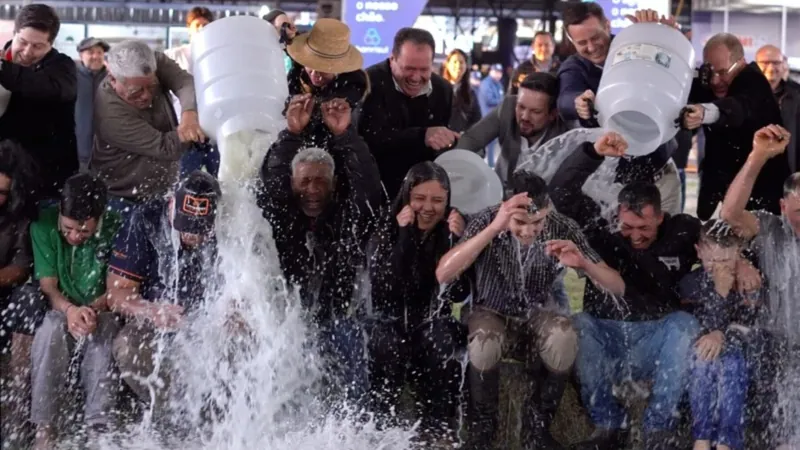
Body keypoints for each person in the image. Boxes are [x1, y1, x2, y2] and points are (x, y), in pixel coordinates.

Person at [550, 132, 758, 450]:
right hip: (606, 334)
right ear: (617, 215)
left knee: (684, 324)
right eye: (628, 227)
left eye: (644, 228)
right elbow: (561, 191)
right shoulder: (602, 227)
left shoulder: (682, 229)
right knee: (578, 324)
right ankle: (608, 425)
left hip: (659, 339)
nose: (635, 236)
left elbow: (721, 237)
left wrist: (740, 261)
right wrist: (592, 153)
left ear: (660, 217)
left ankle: (659, 427)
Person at [436, 172, 625, 450]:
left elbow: (617, 287)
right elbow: (444, 273)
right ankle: (484, 430)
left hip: (537, 312)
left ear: (547, 211)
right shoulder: (485, 220)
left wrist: (583, 263)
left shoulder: (561, 226)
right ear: (503, 210)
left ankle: (537, 427)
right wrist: (493, 229)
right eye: (520, 222)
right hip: (490, 311)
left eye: (537, 222)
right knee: (485, 342)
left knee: (564, 336)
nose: (528, 231)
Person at [259, 94, 382, 401]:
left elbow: (368, 190)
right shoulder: (281, 217)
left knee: (352, 337)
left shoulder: (345, 216)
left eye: (320, 182)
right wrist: (291, 134)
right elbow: (273, 179)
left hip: (334, 318)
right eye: (305, 181)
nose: (312, 190)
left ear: (334, 184)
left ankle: (354, 423)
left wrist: (345, 135)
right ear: (293, 184)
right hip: (288, 320)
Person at [367, 161, 468, 444]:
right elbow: (386, 287)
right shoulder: (385, 226)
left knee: (441, 337)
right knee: (385, 340)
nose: (428, 208)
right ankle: (382, 426)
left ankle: (436, 426)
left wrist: (454, 243)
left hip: (432, 324)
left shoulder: (455, 229)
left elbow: (458, 294)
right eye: (419, 198)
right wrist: (404, 237)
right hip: (390, 322)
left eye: (437, 200)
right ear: (407, 198)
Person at [557, 4, 685, 216]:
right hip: (611, 181)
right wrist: (579, 103)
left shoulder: (640, 44)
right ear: (572, 42)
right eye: (582, 43)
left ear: (607, 25)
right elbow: (565, 99)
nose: (591, 47)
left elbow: (679, 75)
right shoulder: (575, 68)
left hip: (659, 169)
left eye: (595, 37)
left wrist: (663, 35)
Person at [108, 171, 220, 411]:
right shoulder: (146, 218)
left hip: (210, 320)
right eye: (186, 226)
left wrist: (235, 309)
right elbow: (117, 293)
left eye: (201, 229)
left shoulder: (234, 222)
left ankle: (217, 415)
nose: (193, 235)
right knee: (128, 346)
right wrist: (150, 310)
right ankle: (171, 411)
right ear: (171, 204)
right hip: (157, 318)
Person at [720, 124, 799, 449]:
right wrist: (758, 156)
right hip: (774, 346)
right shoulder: (771, 229)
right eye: (799, 212)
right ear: (783, 207)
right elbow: (730, 214)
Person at [28, 174, 121, 450]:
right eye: (69, 228)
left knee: (103, 338)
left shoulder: (117, 226)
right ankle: (45, 429)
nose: (75, 236)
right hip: (62, 307)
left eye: (84, 231)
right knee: (50, 332)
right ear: (60, 212)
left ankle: (98, 430)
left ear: (99, 218)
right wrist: (70, 311)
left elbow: (118, 286)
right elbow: (48, 287)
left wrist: (91, 310)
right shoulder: (42, 226)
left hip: (101, 308)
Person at [91, 40, 205, 219]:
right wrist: (195, 129)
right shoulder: (110, 114)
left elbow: (185, 82)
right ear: (113, 79)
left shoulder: (154, 61)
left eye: (152, 86)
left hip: (161, 191)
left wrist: (189, 113)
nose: (147, 96)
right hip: (122, 198)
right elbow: (167, 147)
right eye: (136, 91)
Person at [682, 34, 787, 219]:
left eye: (722, 72)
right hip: (718, 188)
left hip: (761, 193)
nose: (715, 80)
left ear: (741, 62)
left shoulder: (754, 81)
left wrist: (704, 112)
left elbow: (738, 107)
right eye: (709, 71)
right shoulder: (709, 81)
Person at [681, 220, 758, 450]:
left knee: (732, 362)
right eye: (712, 261)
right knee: (704, 358)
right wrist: (720, 293)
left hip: (742, 353)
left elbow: (752, 327)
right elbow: (699, 325)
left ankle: (727, 442)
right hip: (703, 351)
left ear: (738, 254)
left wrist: (722, 333)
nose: (719, 268)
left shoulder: (747, 280)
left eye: (726, 261)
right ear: (699, 252)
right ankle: (702, 439)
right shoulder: (690, 283)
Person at [358, 28, 456, 200]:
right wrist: (422, 136)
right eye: (409, 69)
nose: (416, 78)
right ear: (392, 59)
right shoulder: (368, 84)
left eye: (424, 70)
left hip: (424, 194)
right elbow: (368, 140)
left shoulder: (444, 90)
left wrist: (451, 139)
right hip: (374, 190)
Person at [0, 4, 78, 203]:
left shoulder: (61, 68)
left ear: (51, 44)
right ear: (14, 33)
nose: (27, 52)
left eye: (37, 46)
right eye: (23, 42)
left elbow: (50, 88)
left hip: (46, 183)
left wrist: (3, 70)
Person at [459, 72, 569, 186]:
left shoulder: (564, 135)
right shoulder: (508, 107)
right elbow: (471, 139)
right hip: (501, 193)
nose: (525, 117)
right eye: (521, 107)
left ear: (553, 114)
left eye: (535, 112)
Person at [0, 140, 37, 447]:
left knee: (28, 299)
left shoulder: (19, 218)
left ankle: (16, 418)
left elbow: (21, 268)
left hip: (5, 294)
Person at [284, 18, 368, 149]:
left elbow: (319, 114)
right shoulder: (296, 75)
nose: (314, 73)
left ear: (340, 68)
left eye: (324, 68)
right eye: (310, 64)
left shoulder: (353, 86)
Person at [164, 6, 219, 179]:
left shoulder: (220, 58)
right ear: (189, 29)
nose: (202, 29)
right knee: (182, 184)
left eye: (206, 25)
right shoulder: (174, 55)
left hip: (214, 134)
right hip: (185, 134)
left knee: (221, 184)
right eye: (197, 25)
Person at [756, 45, 799, 173]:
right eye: (765, 62)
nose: (771, 67)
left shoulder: (797, 94)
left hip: (788, 169)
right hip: (753, 169)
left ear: (783, 65)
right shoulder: (742, 93)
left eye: (776, 63)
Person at [74, 37, 109, 172]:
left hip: (107, 155)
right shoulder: (71, 77)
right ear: (81, 55)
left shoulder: (113, 79)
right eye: (90, 52)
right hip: (76, 153)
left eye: (99, 52)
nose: (96, 56)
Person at [441, 49, 481, 133]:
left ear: (466, 66)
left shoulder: (471, 93)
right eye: (455, 62)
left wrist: (466, 133)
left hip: (462, 141)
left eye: (461, 62)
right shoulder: (438, 89)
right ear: (447, 65)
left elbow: (477, 119)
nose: (458, 65)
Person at [263, 9, 298, 75]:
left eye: (289, 24)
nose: (293, 28)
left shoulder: (292, 54)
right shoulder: (264, 53)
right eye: (285, 25)